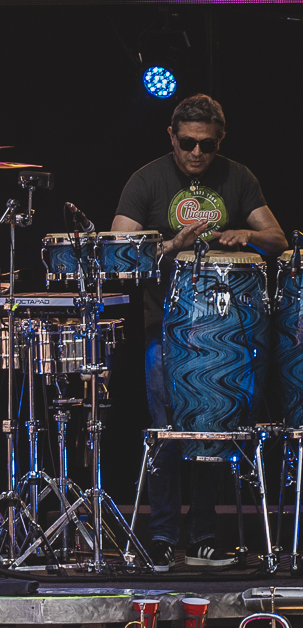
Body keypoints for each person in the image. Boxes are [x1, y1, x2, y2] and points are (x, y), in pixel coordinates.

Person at [112, 93, 285, 570]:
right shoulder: (147, 180)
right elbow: (120, 252)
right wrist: (172, 245)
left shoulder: (238, 177)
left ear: (219, 141)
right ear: (171, 136)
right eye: (186, 143)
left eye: (206, 146)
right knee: (168, 429)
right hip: (164, 328)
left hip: (225, 328)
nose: (195, 154)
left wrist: (246, 235)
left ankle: (205, 534)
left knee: (214, 426)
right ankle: (166, 534)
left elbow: (278, 238)